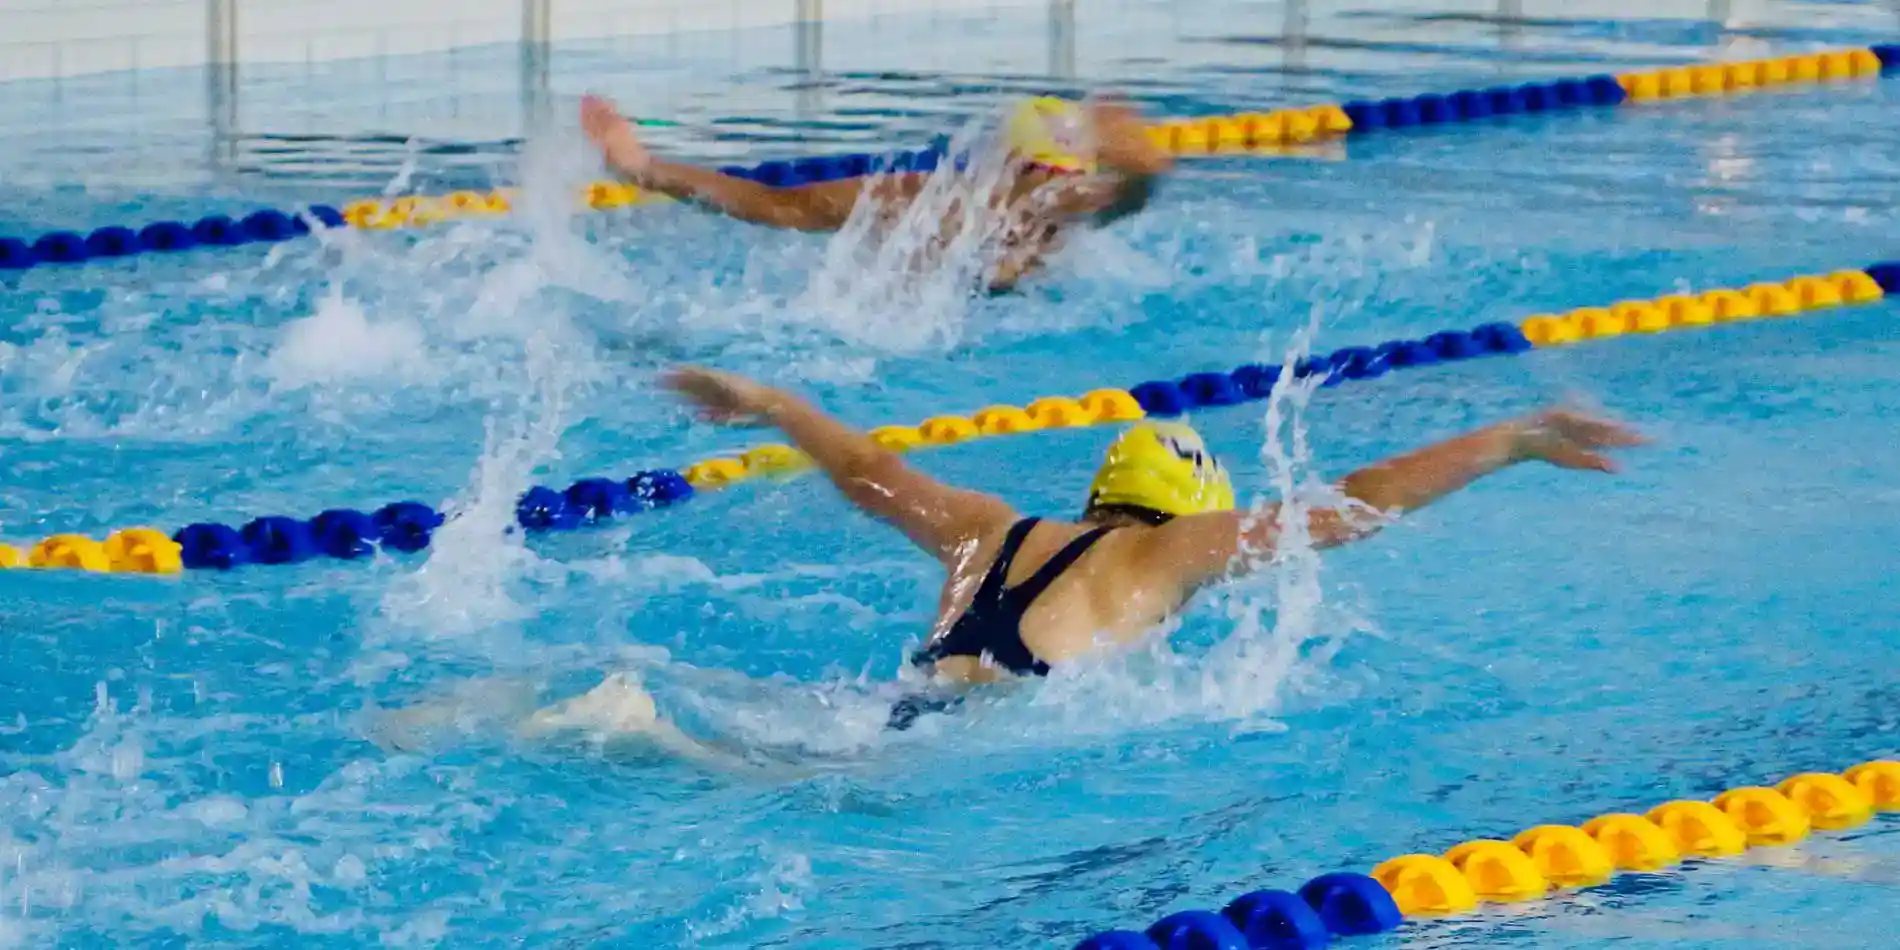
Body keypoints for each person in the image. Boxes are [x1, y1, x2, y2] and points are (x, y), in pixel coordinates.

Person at [469, 366, 1643, 755]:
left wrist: (772, 401)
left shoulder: (985, 524)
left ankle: (599, 708)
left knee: (767, 726)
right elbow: (1351, 506)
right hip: (960, 747)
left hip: (894, 705)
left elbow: (866, 470)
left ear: (1098, 494)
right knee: (698, 755)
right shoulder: (1165, 558)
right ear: (1188, 512)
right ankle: (635, 727)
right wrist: (1510, 439)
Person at [579, 93, 1176, 292]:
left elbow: (1131, 195)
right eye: (1044, 172)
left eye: (1069, 174)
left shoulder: (1062, 207)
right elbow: (778, 205)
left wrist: (1145, 165)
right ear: (1008, 162)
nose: (1057, 187)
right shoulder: (925, 203)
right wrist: (645, 168)